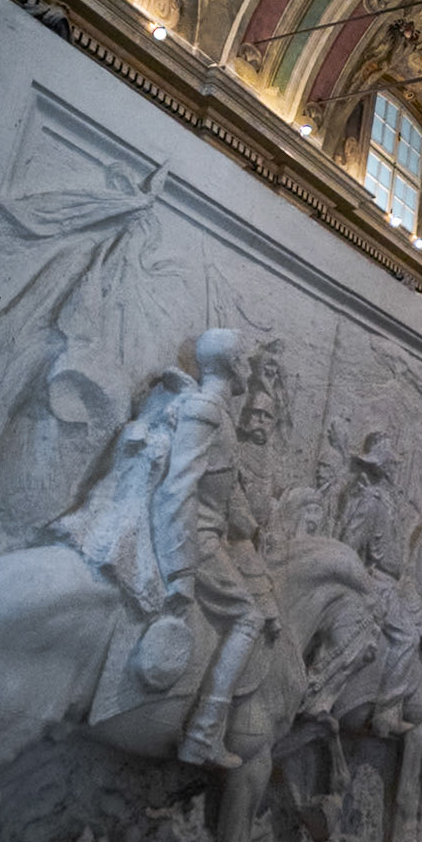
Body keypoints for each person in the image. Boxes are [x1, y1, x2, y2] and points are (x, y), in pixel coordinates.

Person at [151, 329, 282, 771]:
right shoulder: (208, 411)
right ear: (231, 365)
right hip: (199, 542)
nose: (250, 366)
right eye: (244, 360)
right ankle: (204, 734)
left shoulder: (219, 413)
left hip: (212, 534)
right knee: (248, 618)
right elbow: (177, 490)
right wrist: (179, 568)